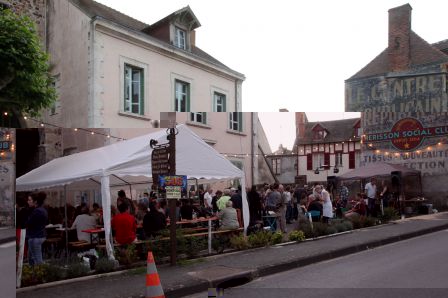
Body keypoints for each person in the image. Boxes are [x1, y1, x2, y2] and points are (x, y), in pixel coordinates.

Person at [26, 192, 49, 266]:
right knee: (31, 258)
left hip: (35, 236)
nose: (28, 202)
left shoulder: (37, 211)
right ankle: (34, 273)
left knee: (37, 259)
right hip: (38, 235)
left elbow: (29, 223)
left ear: (35, 201)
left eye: (30, 200)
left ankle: (41, 274)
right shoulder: (42, 210)